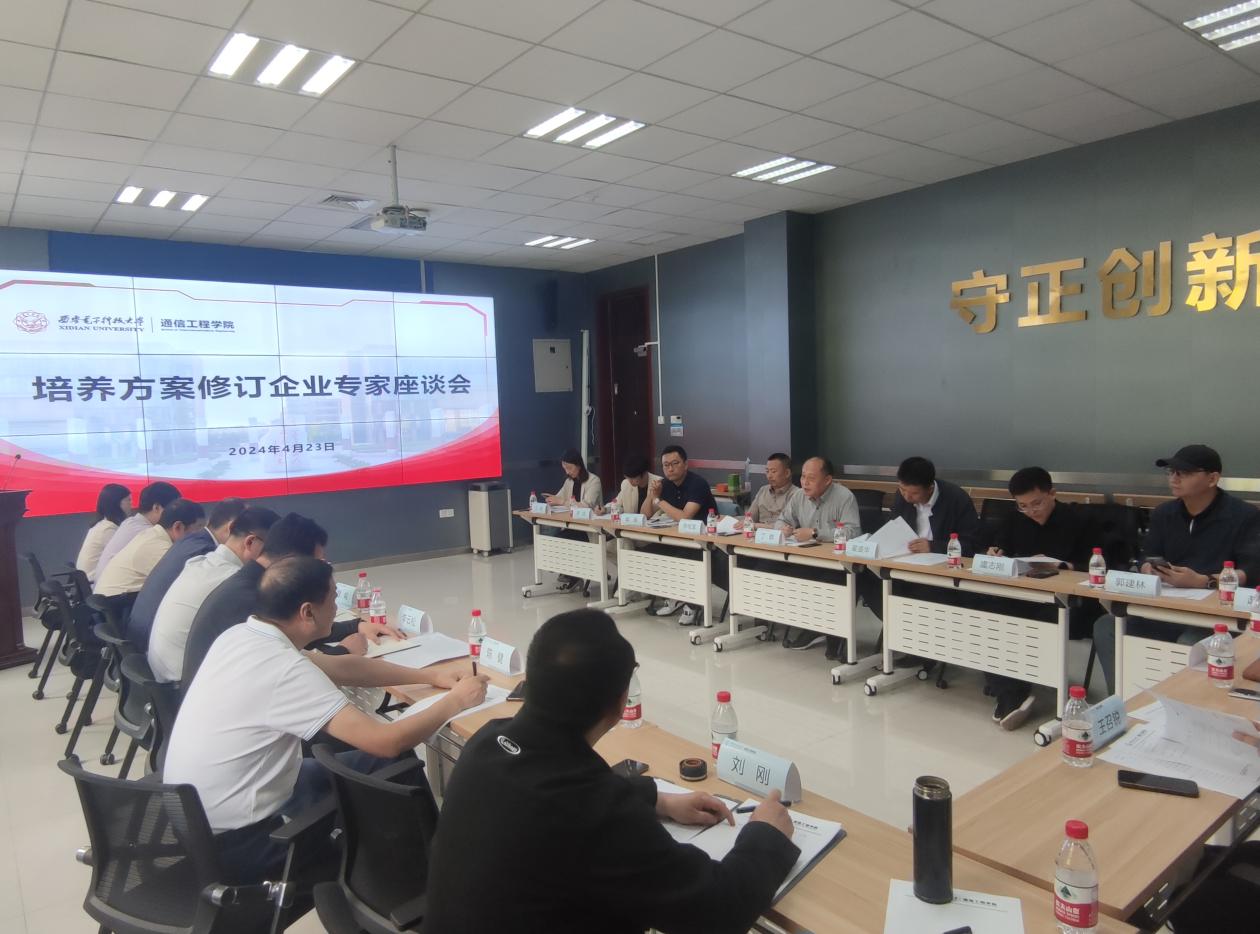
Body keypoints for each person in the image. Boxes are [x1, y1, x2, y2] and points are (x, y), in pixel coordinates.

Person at [421, 608, 799, 934]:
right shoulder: (600, 813)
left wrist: (657, 799)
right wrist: (765, 834)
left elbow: (551, 793)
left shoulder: (486, 743)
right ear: (621, 703)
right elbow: (718, 911)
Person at [163, 556, 489, 884]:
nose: (336, 607)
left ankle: (428, 857)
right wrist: (457, 701)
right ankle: (437, 877)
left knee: (387, 766)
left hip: (203, 822)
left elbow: (344, 667)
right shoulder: (283, 669)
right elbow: (386, 741)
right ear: (307, 612)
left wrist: (431, 676)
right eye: (332, 599)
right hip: (246, 846)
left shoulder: (241, 636)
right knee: (390, 761)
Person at [1093, 445, 1260, 693]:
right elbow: (1146, 555)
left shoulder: (1244, 515)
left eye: (1184, 473)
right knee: (1107, 626)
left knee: (1190, 642)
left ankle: (1186, 704)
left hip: (1217, 617)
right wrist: (1148, 568)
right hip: (1167, 606)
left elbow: (1252, 569)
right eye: (1171, 472)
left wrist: (1205, 581)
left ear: (1212, 478)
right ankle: (1123, 699)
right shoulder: (1164, 513)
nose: (1174, 478)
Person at [181, 513, 405, 689]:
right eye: (317, 564)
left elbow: (295, 631)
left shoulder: (253, 582)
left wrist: (356, 625)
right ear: (293, 562)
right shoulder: (251, 600)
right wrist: (344, 650)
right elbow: (289, 667)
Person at [981, 467, 1101, 728]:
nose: (1031, 511)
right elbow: (1001, 549)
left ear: (1052, 493)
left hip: (1069, 601)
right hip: (1022, 594)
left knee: (1028, 619)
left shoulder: (1080, 520)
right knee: (987, 611)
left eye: (1037, 503)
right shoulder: (1014, 520)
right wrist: (995, 554)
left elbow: (1100, 565)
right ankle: (1010, 691)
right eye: (1023, 506)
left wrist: (1064, 566)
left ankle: (1011, 694)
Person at [148, 506, 280, 683]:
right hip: (182, 684)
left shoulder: (200, 563)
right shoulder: (232, 581)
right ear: (250, 543)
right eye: (275, 553)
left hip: (163, 674)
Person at [124, 498, 247, 650]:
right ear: (232, 527)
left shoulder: (189, 541)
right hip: (149, 643)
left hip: (142, 636)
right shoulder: (205, 553)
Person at [776, 457, 861, 657]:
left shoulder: (845, 497)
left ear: (827, 480)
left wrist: (815, 533)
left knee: (829, 583)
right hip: (809, 559)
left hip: (838, 564)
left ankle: (835, 635)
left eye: (811, 478)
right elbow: (781, 520)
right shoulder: (798, 496)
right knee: (787, 575)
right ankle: (812, 627)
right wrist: (784, 528)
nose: (805, 483)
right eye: (803, 477)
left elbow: (853, 533)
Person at [642, 445, 722, 625]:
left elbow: (685, 517)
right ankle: (674, 596)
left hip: (704, 541)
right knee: (650, 552)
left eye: (675, 463)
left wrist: (658, 500)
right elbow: (645, 514)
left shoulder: (698, 484)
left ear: (685, 464)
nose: (670, 469)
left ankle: (692, 604)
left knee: (684, 556)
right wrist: (651, 495)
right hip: (679, 539)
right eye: (666, 465)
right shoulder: (664, 484)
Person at [93, 499, 205, 624]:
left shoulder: (152, 535)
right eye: (199, 528)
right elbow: (189, 584)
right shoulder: (159, 547)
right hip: (120, 611)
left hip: (115, 607)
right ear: (178, 527)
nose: (202, 534)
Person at [92, 480, 181, 581]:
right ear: (156, 508)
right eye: (173, 510)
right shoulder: (145, 532)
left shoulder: (132, 523)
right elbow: (173, 565)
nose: (176, 515)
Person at [545, 449, 604, 591]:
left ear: (578, 465)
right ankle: (570, 573)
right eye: (565, 468)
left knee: (562, 539)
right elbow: (559, 497)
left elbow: (586, 505)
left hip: (589, 529)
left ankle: (573, 575)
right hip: (574, 526)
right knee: (555, 538)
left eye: (569, 468)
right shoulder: (569, 482)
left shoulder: (593, 481)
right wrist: (551, 500)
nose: (567, 472)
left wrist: (561, 501)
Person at [75, 483, 131, 583]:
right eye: (128, 500)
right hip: (95, 583)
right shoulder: (108, 530)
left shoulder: (101, 525)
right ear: (117, 503)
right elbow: (126, 558)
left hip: (92, 582)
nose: (131, 504)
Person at [747, 453, 798, 526]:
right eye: (767, 471)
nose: (769, 476)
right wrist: (746, 522)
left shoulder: (796, 494)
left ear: (787, 473)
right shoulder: (763, 490)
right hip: (757, 531)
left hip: (779, 532)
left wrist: (756, 526)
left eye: (773, 471)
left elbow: (787, 526)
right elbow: (750, 517)